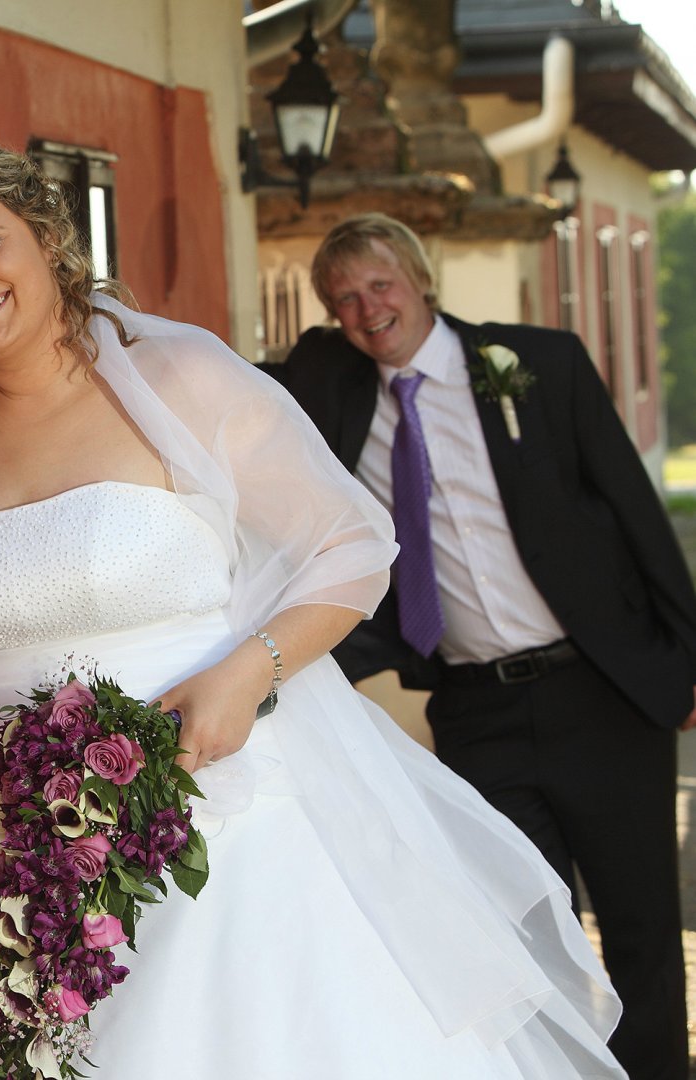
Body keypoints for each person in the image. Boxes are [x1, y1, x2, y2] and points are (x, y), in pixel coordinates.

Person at [0, 142, 625, 1077]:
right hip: (28, 875)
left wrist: (248, 672)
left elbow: (350, 546)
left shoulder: (176, 376)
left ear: (46, 240)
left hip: (228, 829)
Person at [275, 211, 696, 1080]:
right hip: (475, 709)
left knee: (641, 929)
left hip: (600, 693)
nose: (367, 309)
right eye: (343, 299)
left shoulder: (537, 364)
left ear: (420, 280)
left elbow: (634, 510)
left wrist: (685, 655)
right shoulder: (334, 388)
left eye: (380, 285)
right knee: (519, 934)